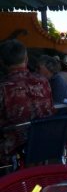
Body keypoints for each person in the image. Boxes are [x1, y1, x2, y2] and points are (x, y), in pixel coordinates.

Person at [0, 40, 55, 169]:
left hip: (14, 148)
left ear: (1, 62)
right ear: (26, 58)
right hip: (45, 143)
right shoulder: (43, 81)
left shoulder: (3, 87)